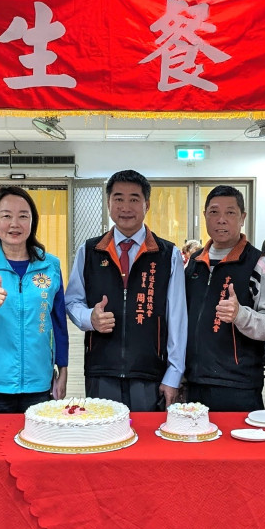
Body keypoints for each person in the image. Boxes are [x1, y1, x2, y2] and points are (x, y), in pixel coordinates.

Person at [65, 169, 187, 410]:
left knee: (148, 443)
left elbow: (177, 319)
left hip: (150, 372)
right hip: (101, 370)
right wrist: (89, 318)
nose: (126, 207)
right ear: (109, 203)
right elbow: (72, 302)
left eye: (134, 199)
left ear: (147, 204)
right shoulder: (89, 251)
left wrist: (174, 375)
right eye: (118, 199)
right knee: (104, 438)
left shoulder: (167, 255)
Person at [0, 186, 68, 412]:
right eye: (6, 216)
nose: (14, 224)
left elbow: (58, 322)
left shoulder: (50, 265)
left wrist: (63, 367)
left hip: (39, 381)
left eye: (23, 216)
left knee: (36, 444)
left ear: (32, 222)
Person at [184, 185, 265, 411]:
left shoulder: (259, 264)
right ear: (205, 216)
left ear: (242, 218)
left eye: (230, 213)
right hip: (195, 381)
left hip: (238, 385)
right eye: (214, 212)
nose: (221, 220)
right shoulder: (195, 262)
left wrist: (240, 315)